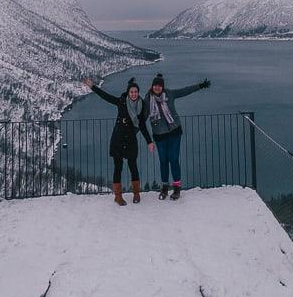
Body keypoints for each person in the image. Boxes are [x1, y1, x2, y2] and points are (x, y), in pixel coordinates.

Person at [81, 76, 154, 206]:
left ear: (138, 93)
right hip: (118, 139)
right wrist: (92, 86)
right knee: (118, 168)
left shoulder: (141, 105)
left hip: (131, 139)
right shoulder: (121, 101)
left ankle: (136, 194)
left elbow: (142, 125)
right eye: (132, 92)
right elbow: (106, 97)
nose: (134, 94)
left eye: (136, 92)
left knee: (133, 166)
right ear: (128, 92)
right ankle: (118, 196)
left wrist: (149, 141)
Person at [146, 73, 210, 200]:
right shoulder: (147, 100)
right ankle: (164, 187)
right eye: (155, 85)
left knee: (173, 159)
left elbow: (185, 91)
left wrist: (200, 86)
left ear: (163, 87)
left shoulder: (169, 94)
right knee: (163, 161)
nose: (157, 88)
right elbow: (141, 116)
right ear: (152, 86)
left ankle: (176, 188)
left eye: (159, 86)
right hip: (159, 135)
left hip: (174, 132)